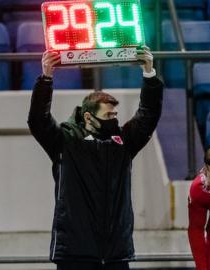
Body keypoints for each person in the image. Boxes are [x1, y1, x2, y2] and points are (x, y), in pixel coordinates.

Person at [27, 47, 163, 270]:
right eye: (108, 115)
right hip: (75, 254)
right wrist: (46, 78)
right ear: (88, 116)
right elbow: (37, 120)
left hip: (116, 254)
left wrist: (149, 74)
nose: (114, 119)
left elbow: (148, 115)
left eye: (115, 115)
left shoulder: (123, 142)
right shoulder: (65, 141)